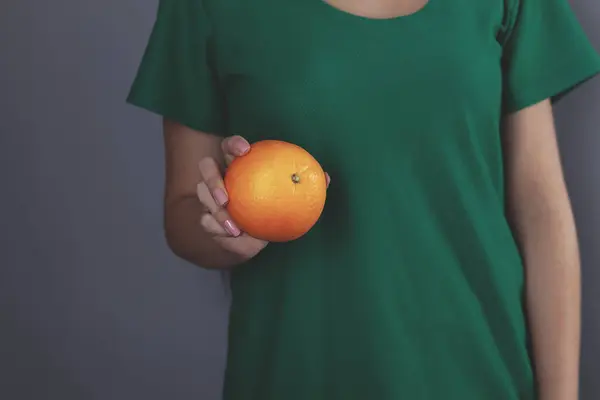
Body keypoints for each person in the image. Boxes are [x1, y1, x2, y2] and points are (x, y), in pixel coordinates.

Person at [127, 0, 600, 398]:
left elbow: (540, 208)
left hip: (480, 371)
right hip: (296, 373)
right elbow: (184, 210)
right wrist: (227, 231)